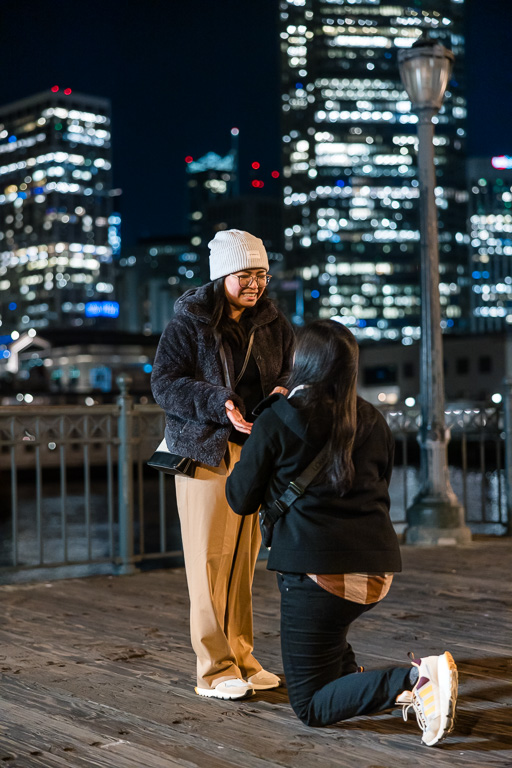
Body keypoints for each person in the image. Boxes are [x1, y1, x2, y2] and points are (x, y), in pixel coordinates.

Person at [226, 319, 458, 746]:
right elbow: (380, 483)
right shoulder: (372, 418)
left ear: (302, 362)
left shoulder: (277, 419)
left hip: (319, 575)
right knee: (329, 644)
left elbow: (240, 499)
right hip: (376, 570)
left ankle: (418, 678)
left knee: (310, 705)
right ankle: (366, 682)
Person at [151, 229, 294, 701]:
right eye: (245, 274)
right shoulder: (189, 323)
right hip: (204, 451)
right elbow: (165, 385)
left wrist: (282, 392)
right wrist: (219, 403)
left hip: (255, 452)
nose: (255, 284)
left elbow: (291, 371)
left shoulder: (275, 323)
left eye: (262, 274)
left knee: (242, 560)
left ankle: (243, 658)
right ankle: (213, 669)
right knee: (209, 560)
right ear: (221, 275)